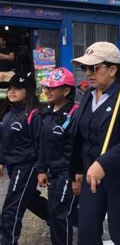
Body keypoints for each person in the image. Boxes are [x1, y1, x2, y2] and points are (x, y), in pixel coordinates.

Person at [70, 42, 120, 245]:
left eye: (94, 68)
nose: (88, 73)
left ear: (113, 69)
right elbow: (81, 135)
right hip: (92, 176)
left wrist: (102, 163)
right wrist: (78, 170)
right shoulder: (88, 95)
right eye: (84, 68)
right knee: (86, 233)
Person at [0, 72, 49, 245]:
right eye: (10, 88)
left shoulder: (34, 115)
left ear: (28, 91)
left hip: (27, 166)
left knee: (11, 210)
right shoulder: (7, 112)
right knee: (30, 200)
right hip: (12, 166)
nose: (12, 92)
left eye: (17, 88)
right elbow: (4, 140)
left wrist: (42, 170)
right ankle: (63, 217)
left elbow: (41, 146)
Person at [36, 68, 79, 245]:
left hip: (68, 173)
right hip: (53, 173)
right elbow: (43, 145)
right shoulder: (47, 112)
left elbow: (79, 148)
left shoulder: (76, 113)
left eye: (52, 88)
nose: (47, 91)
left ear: (66, 91)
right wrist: (41, 170)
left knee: (59, 213)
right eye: (46, 87)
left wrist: (77, 175)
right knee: (55, 213)